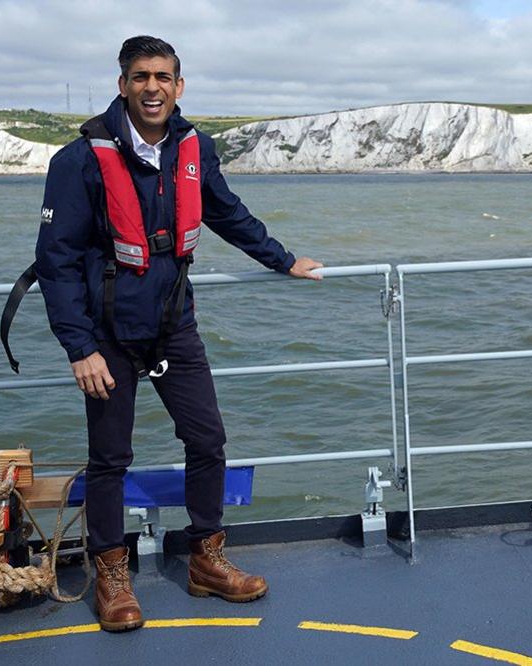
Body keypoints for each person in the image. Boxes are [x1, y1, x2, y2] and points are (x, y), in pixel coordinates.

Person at [34, 35, 322, 632]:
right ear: (122, 85)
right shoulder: (79, 160)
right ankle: (112, 576)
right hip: (107, 334)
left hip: (173, 324)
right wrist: (79, 346)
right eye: (140, 77)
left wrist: (281, 258)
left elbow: (225, 210)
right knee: (110, 459)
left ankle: (206, 560)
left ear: (179, 86)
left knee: (207, 438)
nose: (152, 87)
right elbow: (56, 261)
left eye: (163, 77)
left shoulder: (193, 147)